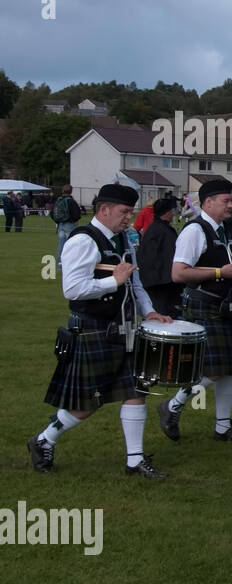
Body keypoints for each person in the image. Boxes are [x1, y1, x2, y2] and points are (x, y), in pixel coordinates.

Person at [27, 183, 172, 478]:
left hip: (126, 330)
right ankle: (43, 440)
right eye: (124, 212)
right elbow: (73, 289)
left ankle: (135, 460)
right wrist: (112, 282)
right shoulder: (83, 240)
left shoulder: (122, 240)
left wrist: (149, 311)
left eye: (131, 211)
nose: (128, 217)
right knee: (87, 403)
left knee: (137, 391)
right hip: (93, 329)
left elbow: (134, 283)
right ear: (104, 210)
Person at [157, 178, 232, 443]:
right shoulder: (194, 231)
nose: (231, 206)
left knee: (230, 369)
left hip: (227, 308)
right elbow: (178, 273)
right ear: (207, 203)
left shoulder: (229, 231)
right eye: (226, 201)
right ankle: (172, 406)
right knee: (214, 369)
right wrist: (218, 272)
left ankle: (222, 427)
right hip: (203, 306)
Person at [137, 196, 183, 317]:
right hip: (161, 283)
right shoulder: (163, 231)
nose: (173, 214)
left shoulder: (155, 229)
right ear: (167, 213)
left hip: (154, 280)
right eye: (172, 211)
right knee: (163, 315)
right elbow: (169, 257)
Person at [51, 185, 83, 265]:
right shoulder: (71, 201)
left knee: (61, 246)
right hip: (70, 225)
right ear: (71, 191)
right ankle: (70, 264)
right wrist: (73, 219)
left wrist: (58, 221)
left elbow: (52, 213)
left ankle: (60, 264)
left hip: (60, 225)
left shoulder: (58, 200)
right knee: (71, 245)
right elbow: (77, 214)